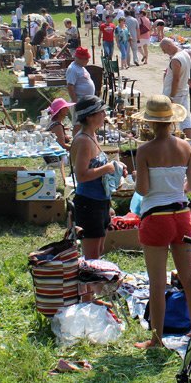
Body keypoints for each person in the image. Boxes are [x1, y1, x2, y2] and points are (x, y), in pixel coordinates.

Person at [134, 95, 191, 350]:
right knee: (190, 278)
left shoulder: (144, 151)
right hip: (182, 216)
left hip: (156, 217)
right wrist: (177, 188)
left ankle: (157, 339)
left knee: (157, 281)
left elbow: (142, 189)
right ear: (172, 121)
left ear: (150, 123)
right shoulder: (185, 147)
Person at [71, 96, 123, 260]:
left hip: (100, 201)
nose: (104, 115)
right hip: (89, 202)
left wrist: (115, 167)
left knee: (99, 249)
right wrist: (107, 168)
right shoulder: (84, 141)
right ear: (90, 116)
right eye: (101, 112)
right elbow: (81, 175)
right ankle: (89, 285)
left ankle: (93, 285)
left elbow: (95, 166)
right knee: (92, 255)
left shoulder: (92, 135)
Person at [160, 38, 191, 136]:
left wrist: (172, 96)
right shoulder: (185, 54)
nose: (164, 52)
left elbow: (176, 79)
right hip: (183, 90)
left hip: (174, 92)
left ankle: (166, 140)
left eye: (164, 49)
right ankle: (188, 141)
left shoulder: (175, 59)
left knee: (166, 118)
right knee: (185, 117)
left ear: (169, 46)